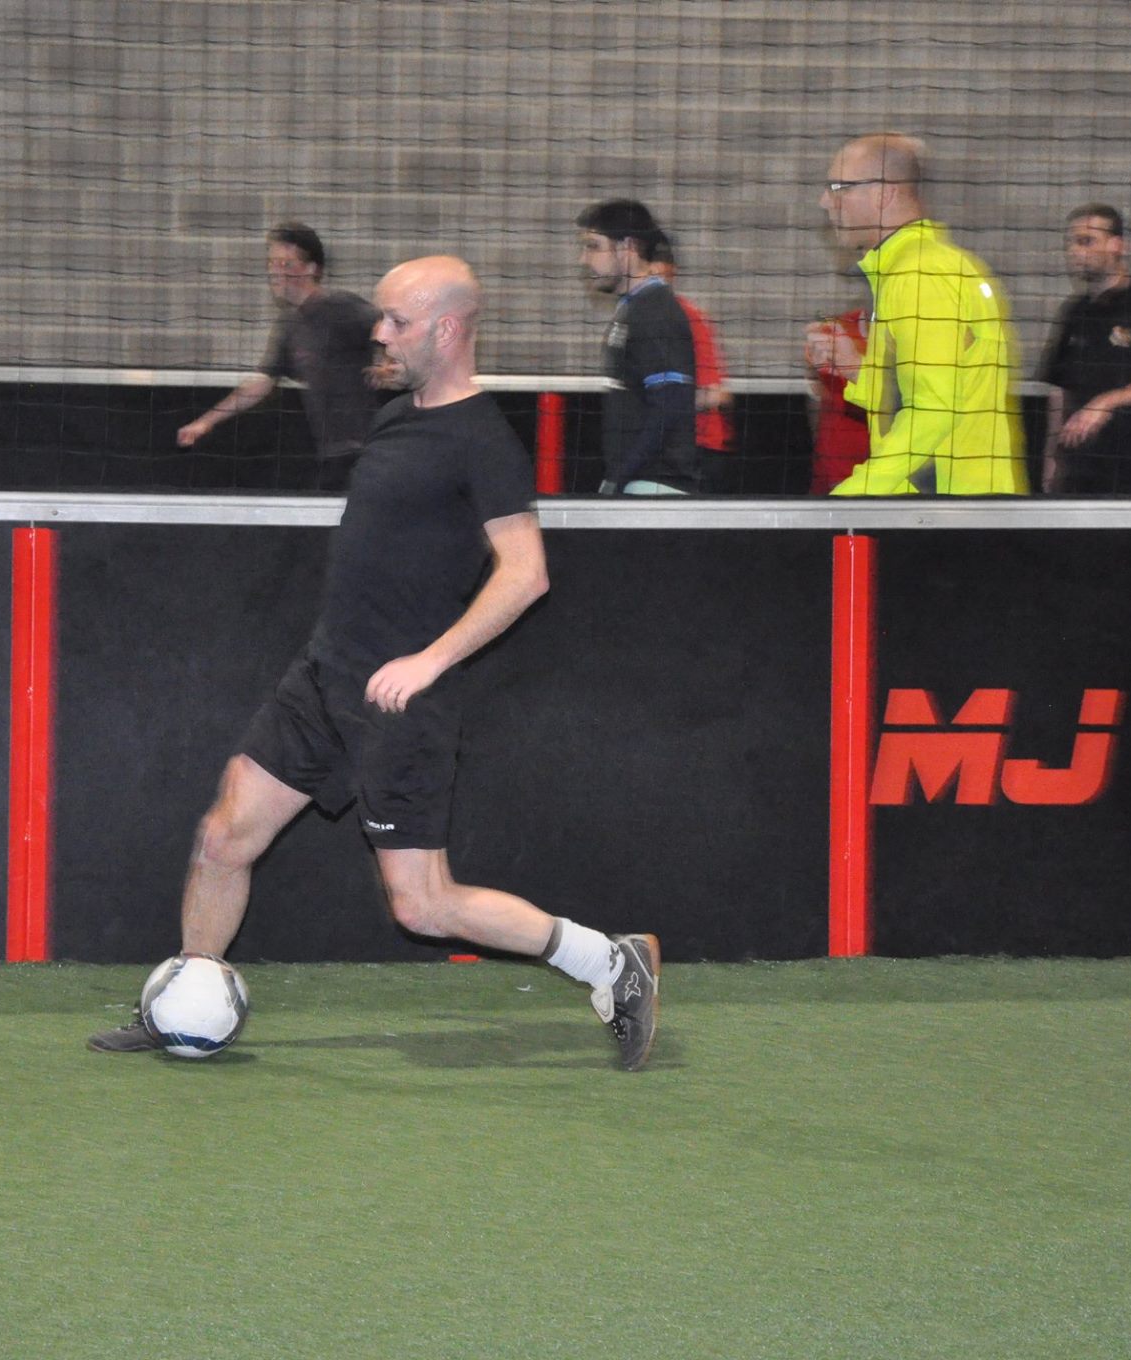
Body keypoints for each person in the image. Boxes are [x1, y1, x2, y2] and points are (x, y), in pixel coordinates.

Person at [92, 255, 662, 1072]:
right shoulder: (398, 417)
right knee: (223, 838)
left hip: (400, 702)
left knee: (423, 907)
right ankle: (183, 1003)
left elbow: (525, 573)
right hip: (325, 675)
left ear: (446, 329)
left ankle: (609, 961)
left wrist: (429, 661)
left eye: (397, 320)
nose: (381, 334)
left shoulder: (483, 440)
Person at [817, 134, 1027, 496]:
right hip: (955, 503)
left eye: (839, 188)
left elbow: (933, 411)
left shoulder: (920, 275)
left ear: (883, 193)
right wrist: (857, 370)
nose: (825, 201)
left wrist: (857, 494)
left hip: (945, 506)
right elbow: (933, 390)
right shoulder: (922, 267)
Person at [176, 222, 381, 492]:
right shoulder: (289, 324)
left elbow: (387, 325)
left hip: (364, 450)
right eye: (272, 263)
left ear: (311, 268)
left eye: (286, 264)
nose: (275, 271)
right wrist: (205, 422)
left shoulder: (341, 307)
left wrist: (387, 361)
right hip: (331, 453)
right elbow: (262, 382)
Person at [1037, 205, 1131, 494]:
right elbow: (1060, 393)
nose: (1075, 251)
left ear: (1117, 245)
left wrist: (1105, 402)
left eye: (1086, 241)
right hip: (1083, 473)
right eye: (1071, 243)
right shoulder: (1074, 312)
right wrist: (1052, 465)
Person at [575, 199, 701, 495]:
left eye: (594, 246)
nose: (584, 259)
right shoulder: (634, 309)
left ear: (627, 247)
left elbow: (671, 402)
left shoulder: (655, 311)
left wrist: (620, 476)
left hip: (655, 490)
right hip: (640, 486)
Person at [648, 232, 734, 491]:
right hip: (661, 447)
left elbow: (715, 395)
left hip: (697, 451)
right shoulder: (635, 320)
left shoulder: (688, 319)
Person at [804, 306, 871, 494]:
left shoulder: (914, 338)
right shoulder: (838, 329)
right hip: (836, 471)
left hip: (888, 476)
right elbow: (818, 393)